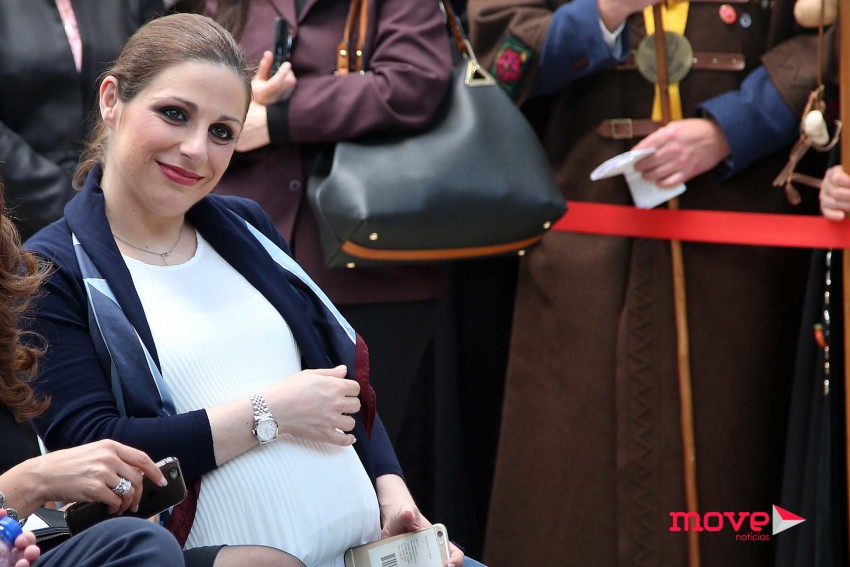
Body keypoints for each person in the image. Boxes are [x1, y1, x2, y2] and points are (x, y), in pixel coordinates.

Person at [23, 13, 467, 567]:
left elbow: (337, 381)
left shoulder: (245, 225)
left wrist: (392, 493)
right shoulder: (51, 268)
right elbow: (92, 451)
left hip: (369, 551)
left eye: (222, 132)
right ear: (112, 100)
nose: (196, 149)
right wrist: (268, 413)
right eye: (175, 114)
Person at [468, 0, 825, 565]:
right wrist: (605, 11)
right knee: (567, 479)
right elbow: (493, 60)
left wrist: (730, 127)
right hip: (579, 254)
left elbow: (830, 44)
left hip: (743, 255)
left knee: (737, 472)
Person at [168, 0, 454, 516]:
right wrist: (239, 107)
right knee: (257, 450)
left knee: (370, 457)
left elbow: (413, 83)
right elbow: (178, 75)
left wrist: (281, 118)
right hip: (239, 257)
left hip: (372, 260)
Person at [0, 176, 185, 566]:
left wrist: (82, 505)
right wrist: (34, 481)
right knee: (141, 545)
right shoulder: (58, 262)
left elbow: (31, 526)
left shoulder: (13, 325)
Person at [0, 0, 164, 240]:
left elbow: (157, 85)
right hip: (15, 211)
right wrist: (66, 200)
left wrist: (107, 193)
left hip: (120, 204)